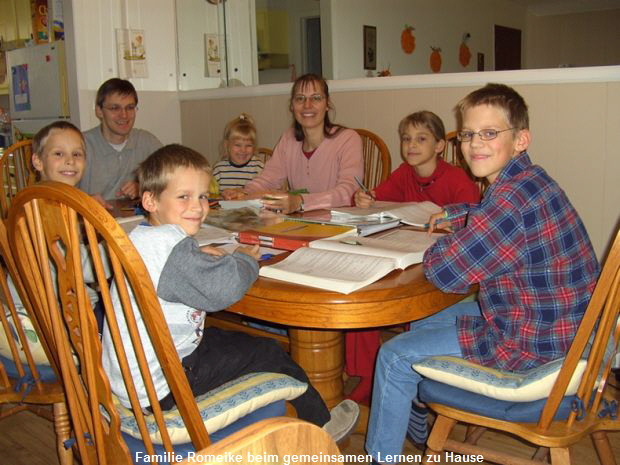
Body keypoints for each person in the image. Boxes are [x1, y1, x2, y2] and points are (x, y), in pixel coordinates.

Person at [365, 83, 600, 462]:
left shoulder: (507, 203)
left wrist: (454, 236)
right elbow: (499, 225)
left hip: (535, 342)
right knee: (427, 319)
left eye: (490, 133)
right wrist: (462, 216)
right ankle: (416, 409)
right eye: (469, 134)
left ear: (520, 139)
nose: (476, 144)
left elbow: (445, 272)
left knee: (393, 356)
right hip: (566, 324)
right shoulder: (531, 181)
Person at [100, 144, 360, 442]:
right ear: (150, 200)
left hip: (129, 379)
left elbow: (171, 266)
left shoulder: (141, 237)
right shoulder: (174, 253)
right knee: (269, 352)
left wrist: (196, 253)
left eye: (201, 196)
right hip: (164, 387)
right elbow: (224, 290)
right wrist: (246, 259)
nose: (197, 207)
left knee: (234, 342)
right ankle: (321, 429)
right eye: (183, 196)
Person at [347, 111, 480, 406]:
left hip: (443, 267)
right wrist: (365, 198)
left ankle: (404, 374)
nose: (411, 145)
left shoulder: (456, 178)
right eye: (406, 139)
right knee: (366, 291)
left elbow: (477, 223)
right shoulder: (403, 173)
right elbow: (377, 200)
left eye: (421, 139)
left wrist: (453, 224)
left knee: (396, 298)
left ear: (439, 146)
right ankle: (366, 373)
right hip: (406, 254)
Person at [1, 121, 107, 365]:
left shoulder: (44, 199)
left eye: (77, 154)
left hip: (49, 310)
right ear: (37, 161)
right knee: (132, 318)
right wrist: (122, 248)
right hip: (50, 326)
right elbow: (84, 267)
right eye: (59, 154)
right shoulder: (44, 212)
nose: (70, 161)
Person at [222, 73, 364, 213]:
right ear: (292, 106)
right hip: (300, 224)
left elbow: (348, 191)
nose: (307, 105)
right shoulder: (288, 139)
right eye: (300, 98)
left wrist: (300, 201)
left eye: (316, 98)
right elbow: (268, 179)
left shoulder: (348, 139)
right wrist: (242, 192)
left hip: (341, 227)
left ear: (327, 104)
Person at [79, 78, 162, 207]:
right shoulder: (80, 145)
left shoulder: (146, 141)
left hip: (134, 222)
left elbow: (172, 180)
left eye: (130, 108)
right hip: (90, 223)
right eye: (114, 108)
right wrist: (84, 201)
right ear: (99, 111)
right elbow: (59, 191)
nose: (124, 115)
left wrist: (142, 187)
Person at [212, 113, 264, 191]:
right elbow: (212, 196)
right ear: (227, 145)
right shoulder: (218, 170)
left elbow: (266, 192)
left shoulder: (258, 167)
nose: (243, 150)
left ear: (254, 146)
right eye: (238, 145)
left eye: (248, 145)